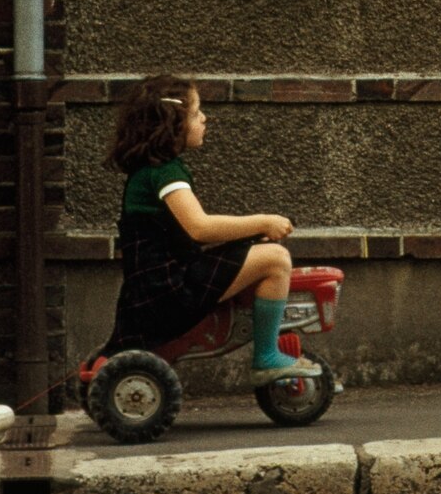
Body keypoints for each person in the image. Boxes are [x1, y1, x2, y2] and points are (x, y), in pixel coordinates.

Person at [102, 74, 324, 386]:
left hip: (155, 288)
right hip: (169, 292)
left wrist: (247, 236)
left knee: (257, 252)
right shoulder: (164, 173)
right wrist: (262, 222)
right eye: (195, 113)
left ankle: (265, 349)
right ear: (173, 123)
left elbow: (184, 234)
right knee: (276, 260)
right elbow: (200, 228)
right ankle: (267, 357)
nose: (204, 118)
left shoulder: (150, 171)